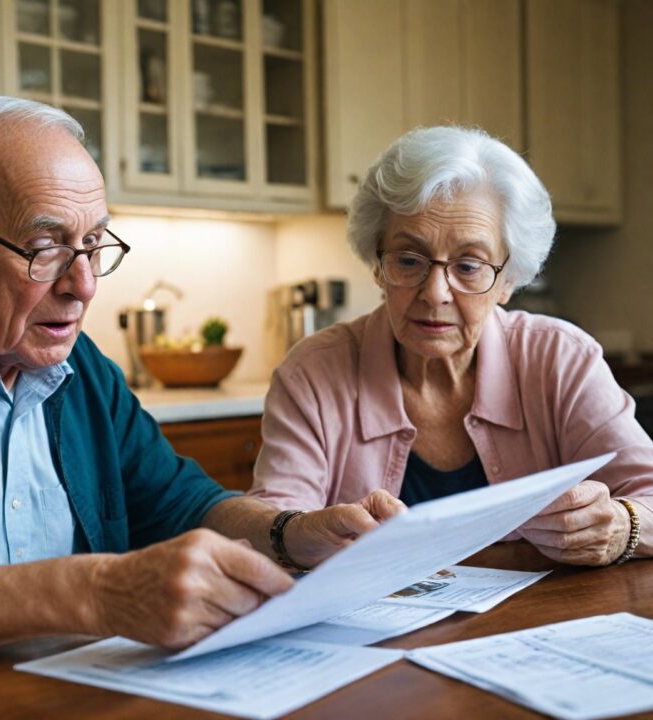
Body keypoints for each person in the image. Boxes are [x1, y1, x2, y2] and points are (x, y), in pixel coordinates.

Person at [0, 97, 405, 673]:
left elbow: (180, 503)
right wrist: (99, 593)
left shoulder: (80, 365)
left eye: (93, 243)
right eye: (45, 247)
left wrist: (291, 532)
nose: (84, 284)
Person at [249, 126, 652, 568]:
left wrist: (622, 525)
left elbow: (647, 494)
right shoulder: (313, 371)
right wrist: (294, 534)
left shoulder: (560, 359)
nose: (435, 293)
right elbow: (272, 523)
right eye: (409, 260)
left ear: (508, 280)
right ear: (377, 267)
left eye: (469, 266)